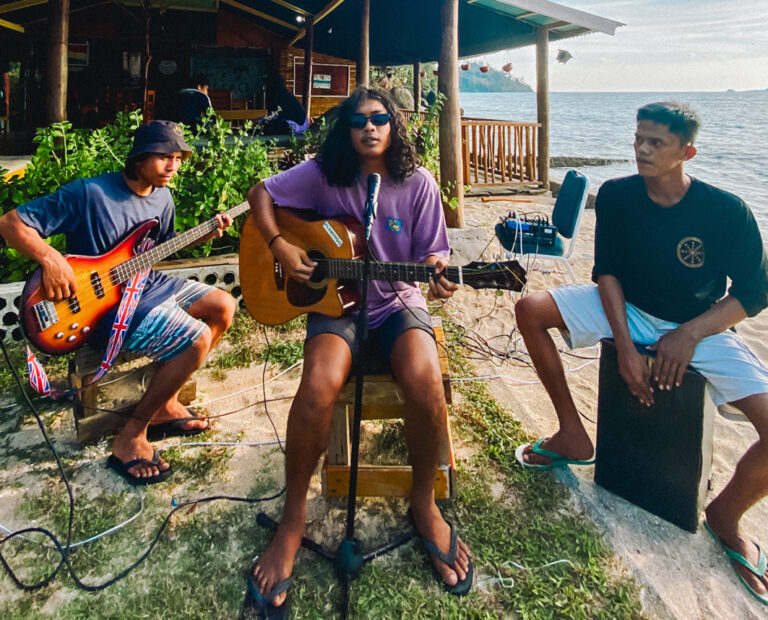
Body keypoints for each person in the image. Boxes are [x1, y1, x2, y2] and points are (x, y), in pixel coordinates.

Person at [514, 101, 768, 604]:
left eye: (656, 143)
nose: (642, 150)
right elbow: (606, 272)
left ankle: (724, 515)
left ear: (686, 151)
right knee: (531, 309)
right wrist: (626, 348)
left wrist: (690, 333)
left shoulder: (727, 211)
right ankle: (571, 433)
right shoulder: (617, 196)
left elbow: (755, 293)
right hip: (629, 308)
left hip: (700, 323)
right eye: (638, 139)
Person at [244, 87, 472, 616]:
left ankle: (423, 503)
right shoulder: (324, 173)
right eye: (358, 120)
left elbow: (433, 252)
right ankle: (293, 519)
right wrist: (280, 243)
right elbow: (261, 193)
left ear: (394, 125)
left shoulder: (418, 183)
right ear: (345, 129)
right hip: (336, 307)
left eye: (380, 118)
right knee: (318, 386)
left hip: (396, 303)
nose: (369, 128)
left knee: (424, 380)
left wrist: (439, 272)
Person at [0, 121, 237, 485]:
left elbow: (156, 251)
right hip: (102, 307)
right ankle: (131, 436)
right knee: (196, 339)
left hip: (146, 285)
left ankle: (165, 404)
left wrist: (203, 234)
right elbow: (11, 223)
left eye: (177, 158)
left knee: (224, 306)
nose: (173, 165)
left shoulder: (164, 197)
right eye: (164, 156)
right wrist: (49, 258)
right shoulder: (89, 193)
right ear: (138, 158)